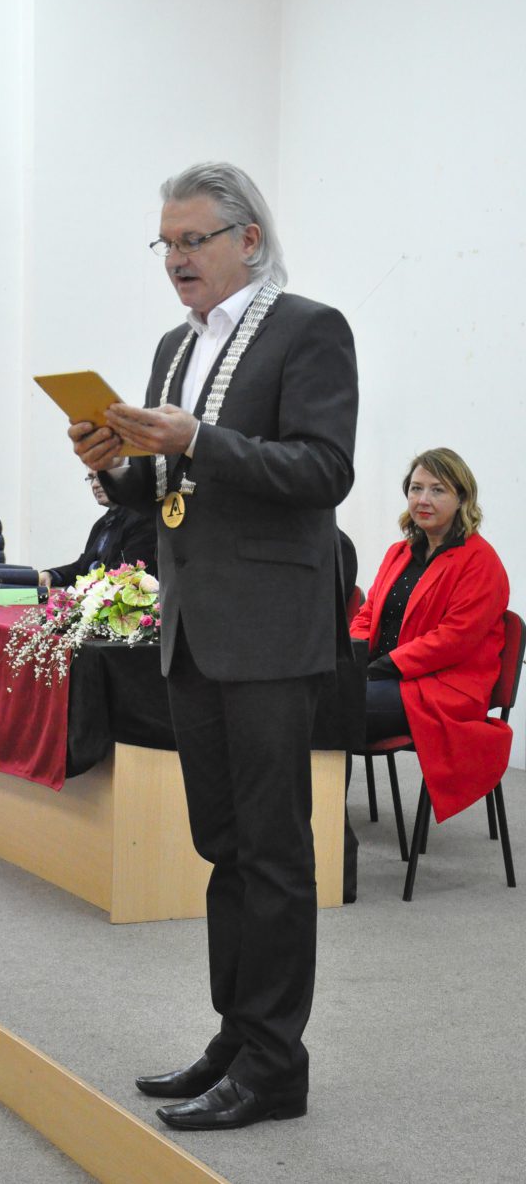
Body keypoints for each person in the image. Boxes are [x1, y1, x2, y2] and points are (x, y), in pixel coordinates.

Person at [68, 161, 358, 1131]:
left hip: (270, 631)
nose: (175, 259)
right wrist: (114, 469)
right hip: (192, 625)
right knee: (223, 846)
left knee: (273, 851)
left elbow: (323, 469)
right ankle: (237, 1039)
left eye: (193, 240)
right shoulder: (173, 346)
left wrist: (196, 437)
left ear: (248, 240)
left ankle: (277, 1064)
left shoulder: (309, 329)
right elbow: (167, 490)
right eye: (166, 243)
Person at [350, 447, 512, 822]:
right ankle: (319, 819)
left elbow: (454, 639)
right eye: (416, 488)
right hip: (383, 676)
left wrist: (382, 667)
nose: (423, 499)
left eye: (437, 490)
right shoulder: (400, 552)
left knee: (328, 707)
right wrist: (353, 655)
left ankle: (322, 824)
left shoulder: (480, 561)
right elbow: (369, 614)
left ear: (462, 498)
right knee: (307, 698)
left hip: (440, 688)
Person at [39, 472, 157, 588]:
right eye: (92, 479)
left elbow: (125, 572)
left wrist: (80, 584)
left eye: (101, 477)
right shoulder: (101, 524)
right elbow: (82, 566)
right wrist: (52, 575)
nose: (94, 485)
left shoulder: (142, 520)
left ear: (124, 477)